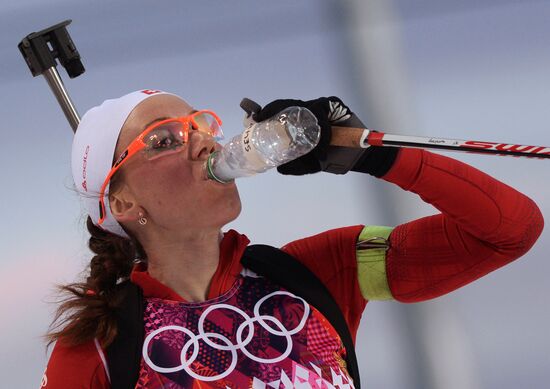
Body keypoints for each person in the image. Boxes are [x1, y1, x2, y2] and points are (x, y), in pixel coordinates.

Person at [42, 89, 543, 388]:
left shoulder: (310, 276)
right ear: (124, 204)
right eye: (165, 140)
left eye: (200, 124)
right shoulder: (101, 346)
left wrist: (371, 155)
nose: (203, 143)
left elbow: (508, 231)